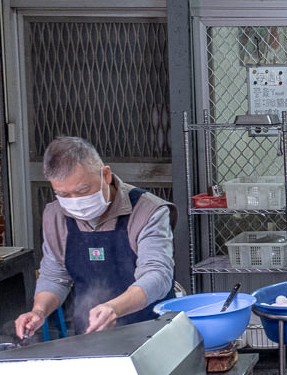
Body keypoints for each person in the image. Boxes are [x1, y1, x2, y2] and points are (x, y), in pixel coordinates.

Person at [15, 136, 176, 337]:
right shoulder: (55, 215)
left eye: (83, 190)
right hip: (91, 335)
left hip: (154, 331)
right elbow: (55, 276)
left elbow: (157, 275)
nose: (75, 201)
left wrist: (113, 308)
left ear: (106, 175)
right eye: (63, 195)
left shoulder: (148, 210)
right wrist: (39, 311)